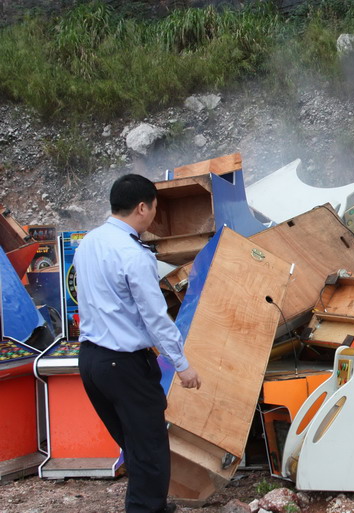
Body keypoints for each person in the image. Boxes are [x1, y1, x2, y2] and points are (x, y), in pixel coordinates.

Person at [75, 174, 201, 513]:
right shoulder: (134, 254)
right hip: (124, 364)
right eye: (155, 209)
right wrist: (182, 365)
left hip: (90, 361)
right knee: (149, 446)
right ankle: (146, 509)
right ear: (142, 207)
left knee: (135, 443)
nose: (154, 217)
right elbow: (155, 318)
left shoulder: (87, 243)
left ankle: (153, 506)